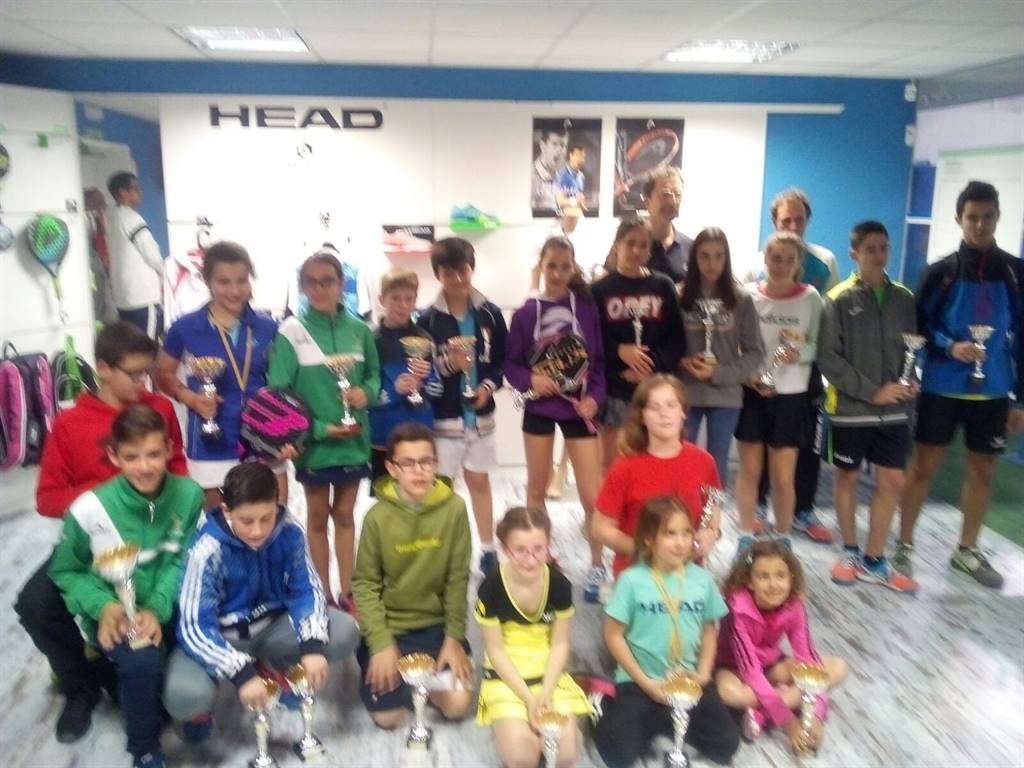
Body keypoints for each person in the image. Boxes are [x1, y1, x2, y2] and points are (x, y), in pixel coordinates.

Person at [14, 322, 186, 744]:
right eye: (134, 374)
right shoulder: (70, 424)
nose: (144, 382)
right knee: (35, 604)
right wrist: (108, 498)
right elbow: (48, 499)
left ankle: (145, 667)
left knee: (174, 607)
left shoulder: (160, 409)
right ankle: (80, 684)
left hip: (153, 540)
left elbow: (178, 466)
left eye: (148, 372)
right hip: (92, 545)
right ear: (104, 369)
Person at [48, 405, 204, 768]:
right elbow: (67, 571)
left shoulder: (190, 495)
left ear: (169, 449)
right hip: (117, 613)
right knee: (142, 663)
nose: (145, 467)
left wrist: (158, 608)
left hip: (171, 602)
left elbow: (186, 559)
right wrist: (103, 606)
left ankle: (195, 706)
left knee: (208, 629)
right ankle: (144, 746)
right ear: (114, 455)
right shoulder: (89, 509)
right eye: (132, 457)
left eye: (154, 454)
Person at [163, 462, 360, 740]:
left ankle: (279, 664)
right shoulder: (205, 551)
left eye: (266, 518)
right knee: (184, 695)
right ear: (226, 511)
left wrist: (312, 645)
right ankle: (205, 704)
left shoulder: (288, 531)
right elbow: (194, 627)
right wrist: (240, 672)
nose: (257, 531)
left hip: (272, 627)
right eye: (246, 521)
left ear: (277, 506)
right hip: (224, 636)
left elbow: (306, 590)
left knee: (344, 630)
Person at [896, 181, 1024, 589]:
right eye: (972, 217)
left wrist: (1020, 399)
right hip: (941, 387)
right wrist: (950, 347)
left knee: (983, 470)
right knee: (923, 467)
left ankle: (966, 550)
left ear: (998, 218)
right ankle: (903, 544)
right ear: (959, 219)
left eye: (987, 217)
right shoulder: (940, 273)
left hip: (993, 390)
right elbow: (917, 328)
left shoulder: (1015, 273)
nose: (980, 225)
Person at [267, 248, 380, 608]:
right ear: (301, 286)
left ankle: (348, 593)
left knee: (345, 515)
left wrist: (367, 392)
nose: (319, 289)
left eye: (327, 281)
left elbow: (374, 375)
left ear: (341, 283)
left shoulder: (360, 330)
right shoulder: (291, 332)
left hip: (354, 439)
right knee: (317, 517)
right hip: (315, 444)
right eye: (311, 282)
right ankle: (323, 594)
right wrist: (318, 430)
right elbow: (279, 394)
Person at [590, 496, 740, 767]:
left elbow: (709, 630)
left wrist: (703, 674)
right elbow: (613, 635)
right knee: (618, 756)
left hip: (687, 682)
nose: (681, 542)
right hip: (640, 681)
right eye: (670, 534)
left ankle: (665, 722)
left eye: (686, 532)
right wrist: (646, 683)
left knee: (726, 744)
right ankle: (605, 704)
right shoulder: (632, 580)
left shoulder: (702, 580)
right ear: (648, 539)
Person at [819, 221, 920, 593]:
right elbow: (828, 358)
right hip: (851, 409)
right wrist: (872, 391)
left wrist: (912, 380)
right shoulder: (838, 298)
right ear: (854, 254)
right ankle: (849, 552)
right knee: (846, 478)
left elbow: (912, 349)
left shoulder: (904, 298)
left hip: (894, 411)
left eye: (884, 248)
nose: (879, 255)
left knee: (892, 480)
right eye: (871, 249)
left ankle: (875, 560)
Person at [352, 422, 474, 729]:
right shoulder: (376, 518)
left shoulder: (455, 509)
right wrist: (380, 643)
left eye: (426, 462)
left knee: (457, 706)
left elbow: (458, 579)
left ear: (436, 464)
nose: (418, 471)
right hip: (391, 628)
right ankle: (398, 674)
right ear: (392, 469)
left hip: (436, 627)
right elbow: (365, 585)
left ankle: (421, 683)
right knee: (388, 718)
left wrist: (454, 638)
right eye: (407, 463)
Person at [505, 236, 607, 601]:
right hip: (539, 409)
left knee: (592, 495)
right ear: (541, 266)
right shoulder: (525, 313)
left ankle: (597, 564)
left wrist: (594, 399)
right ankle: (540, 558)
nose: (558, 273)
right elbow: (511, 365)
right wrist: (531, 380)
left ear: (574, 267)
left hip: (579, 410)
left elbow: (598, 364)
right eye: (552, 266)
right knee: (537, 488)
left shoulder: (587, 310)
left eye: (565, 266)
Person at [744, 188, 840, 542]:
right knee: (758, 447)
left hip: (803, 373)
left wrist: (801, 353)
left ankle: (803, 511)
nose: (794, 226)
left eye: (800, 220)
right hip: (761, 375)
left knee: (806, 444)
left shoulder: (825, 260)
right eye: (787, 220)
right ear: (774, 221)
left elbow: (826, 315)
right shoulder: (755, 264)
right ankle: (757, 507)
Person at [155, 241, 280, 507]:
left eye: (241, 280)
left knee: (269, 518)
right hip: (212, 439)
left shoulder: (269, 327)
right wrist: (190, 398)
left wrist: (286, 432)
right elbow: (163, 373)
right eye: (224, 282)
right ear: (207, 281)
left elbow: (282, 384)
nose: (234, 291)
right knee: (217, 521)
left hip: (263, 439)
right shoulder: (184, 327)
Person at [417, 237, 508, 575]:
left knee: (480, 482)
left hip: (480, 418)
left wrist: (486, 387)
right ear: (437, 274)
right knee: (441, 488)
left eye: (463, 270)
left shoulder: (490, 314)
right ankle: (441, 551)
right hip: (445, 419)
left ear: (472, 269)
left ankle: (487, 548)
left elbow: (501, 363)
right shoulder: (427, 320)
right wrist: (449, 364)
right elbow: (423, 371)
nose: (457, 278)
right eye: (449, 272)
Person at [475, 507, 590, 768]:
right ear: (505, 549)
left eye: (539, 549)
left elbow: (560, 643)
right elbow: (495, 651)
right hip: (507, 676)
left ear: (548, 547)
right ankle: (508, 727)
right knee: (522, 757)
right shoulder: (491, 587)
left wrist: (546, 693)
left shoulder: (559, 585)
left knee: (564, 755)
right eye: (521, 551)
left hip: (549, 675)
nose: (531, 560)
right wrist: (529, 699)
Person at [734, 231, 823, 554]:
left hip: (791, 396)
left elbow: (817, 344)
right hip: (752, 393)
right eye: (775, 258)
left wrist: (798, 354)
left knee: (784, 477)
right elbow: (737, 344)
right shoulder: (747, 295)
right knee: (750, 471)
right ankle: (745, 535)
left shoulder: (811, 297)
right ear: (765, 259)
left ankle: (784, 538)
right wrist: (747, 377)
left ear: (798, 263)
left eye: (789, 259)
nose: (781, 265)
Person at [716, 540, 847, 753]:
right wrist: (790, 722)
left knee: (837, 667)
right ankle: (782, 701)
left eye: (780, 576)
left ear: (791, 578)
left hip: (772, 666)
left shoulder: (795, 605)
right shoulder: (736, 608)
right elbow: (750, 672)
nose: (773, 584)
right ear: (749, 581)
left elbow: (808, 661)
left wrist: (815, 715)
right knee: (731, 695)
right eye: (763, 576)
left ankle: (762, 715)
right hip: (734, 669)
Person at [593, 374, 722, 579]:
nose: (664, 413)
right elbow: (601, 528)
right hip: (638, 577)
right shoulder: (624, 467)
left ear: (683, 412)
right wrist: (650, 553)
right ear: (642, 417)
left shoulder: (704, 461)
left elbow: (713, 505)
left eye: (671, 405)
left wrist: (712, 532)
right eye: (654, 407)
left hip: (687, 576)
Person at [591, 217, 686, 473]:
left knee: (652, 461)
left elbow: (676, 340)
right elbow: (592, 341)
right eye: (630, 243)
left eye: (643, 245)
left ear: (650, 249)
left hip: (653, 390)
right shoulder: (599, 290)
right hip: (614, 388)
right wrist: (620, 353)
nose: (636, 250)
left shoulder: (663, 286)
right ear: (617, 245)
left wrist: (649, 367)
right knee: (611, 463)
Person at [678, 227, 765, 484]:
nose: (711, 263)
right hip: (686, 392)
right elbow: (668, 344)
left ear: (726, 258)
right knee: (680, 460)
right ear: (694, 258)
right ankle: (680, 510)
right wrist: (681, 361)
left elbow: (755, 353)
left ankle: (711, 511)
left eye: (718, 256)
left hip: (726, 395)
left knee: (716, 466)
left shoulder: (741, 299)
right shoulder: (679, 295)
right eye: (704, 256)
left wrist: (718, 373)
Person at [369, 266, 438, 489]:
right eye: (396, 298)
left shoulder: (425, 339)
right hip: (383, 437)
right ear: (382, 299)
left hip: (420, 434)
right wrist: (393, 392)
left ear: (416, 300)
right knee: (385, 497)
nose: (403, 305)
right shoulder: (370, 341)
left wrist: (424, 382)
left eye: (409, 299)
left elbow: (438, 389)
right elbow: (365, 392)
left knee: (420, 495)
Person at [106, 171, 164, 338]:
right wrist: (166, 275)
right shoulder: (131, 218)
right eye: (136, 189)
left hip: (123, 298)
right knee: (147, 346)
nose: (141, 193)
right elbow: (152, 254)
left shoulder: (110, 217)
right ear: (123, 193)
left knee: (131, 346)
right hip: (143, 297)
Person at [642, 167, 693, 285]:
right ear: (647, 202)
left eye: (678, 194)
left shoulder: (691, 247)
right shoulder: (631, 244)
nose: (673, 202)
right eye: (665, 194)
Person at [531, 125, 569, 215]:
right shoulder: (531, 177)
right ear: (543, 146)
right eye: (554, 144)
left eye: (563, 145)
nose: (559, 150)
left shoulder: (562, 176)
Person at [555, 144, 588, 215]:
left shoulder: (581, 176)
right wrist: (575, 201)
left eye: (583, 157)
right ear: (571, 155)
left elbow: (579, 199)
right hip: (564, 216)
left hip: (577, 215)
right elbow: (559, 201)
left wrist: (582, 204)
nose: (581, 160)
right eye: (578, 156)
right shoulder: (562, 175)